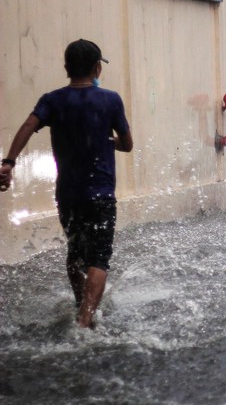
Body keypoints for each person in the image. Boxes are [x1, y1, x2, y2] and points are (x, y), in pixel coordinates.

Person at [0, 39, 133, 329]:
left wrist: (9, 163)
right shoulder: (110, 100)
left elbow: (27, 126)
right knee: (99, 257)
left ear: (66, 67)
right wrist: (109, 140)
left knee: (75, 252)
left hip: (67, 196)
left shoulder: (52, 100)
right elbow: (128, 144)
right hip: (100, 194)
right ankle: (84, 321)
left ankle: (79, 303)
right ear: (97, 67)